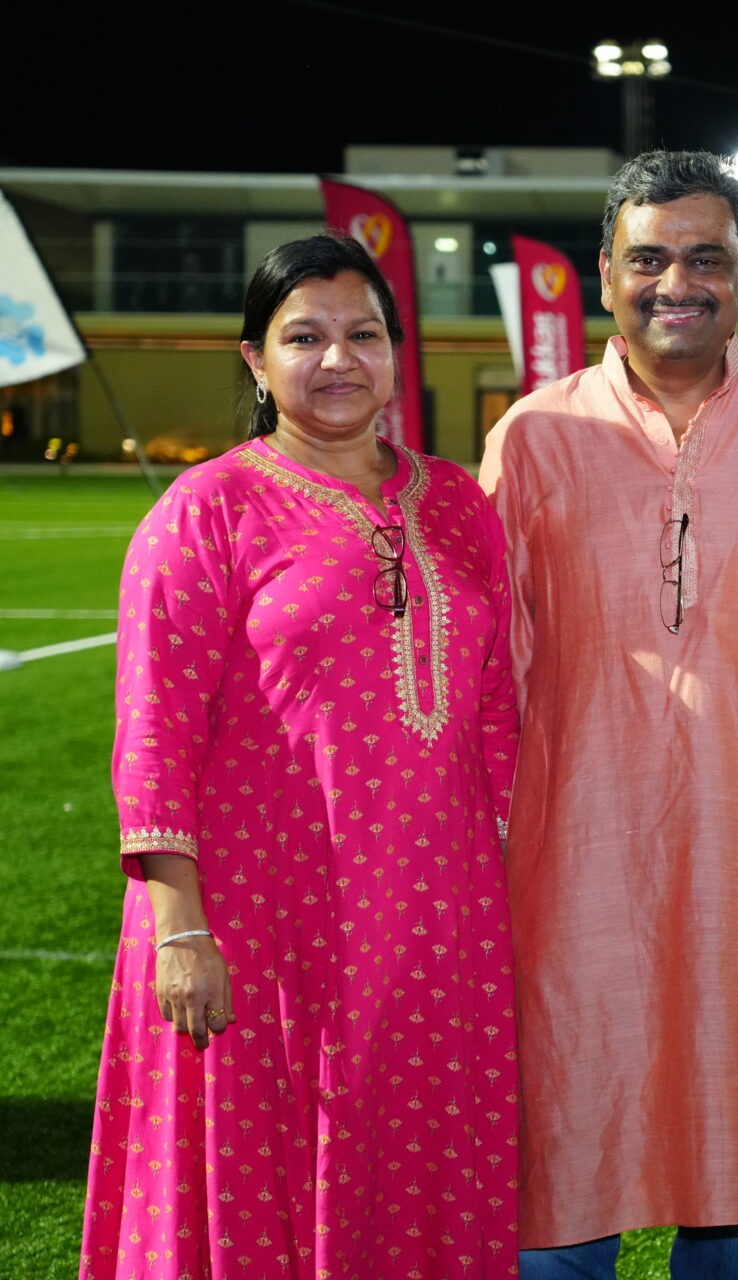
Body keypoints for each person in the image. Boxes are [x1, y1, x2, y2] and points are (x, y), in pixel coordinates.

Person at [480, 150, 738, 1280]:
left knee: (735, 1151)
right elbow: (488, 664)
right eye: (650, 259)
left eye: (707, 258)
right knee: (566, 1155)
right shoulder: (534, 436)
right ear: (607, 274)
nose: (678, 283)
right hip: (569, 866)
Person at [80, 232, 521, 1278]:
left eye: (362, 334)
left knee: (418, 1156)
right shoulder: (208, 509)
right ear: (255, 359)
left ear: (395, 352)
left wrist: (503, 878)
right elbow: (154, 730)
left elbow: (498, 710)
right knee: (261, 1165)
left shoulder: (458, 503)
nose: (337, 360)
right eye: (304, 337)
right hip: (259, 917)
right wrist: (181, 927)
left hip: (433, 916)